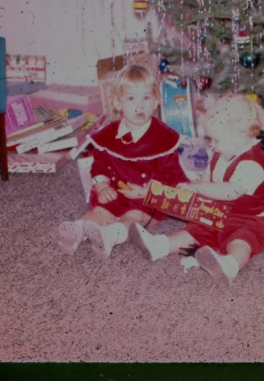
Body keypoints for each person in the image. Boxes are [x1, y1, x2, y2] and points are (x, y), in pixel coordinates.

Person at [129, 93, 264, 285]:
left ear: (240, 136)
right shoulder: (220, 152)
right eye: (211, 140)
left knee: (241, 240)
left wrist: (200, 188)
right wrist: (192, 190)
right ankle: (160, 245)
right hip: (220, 213)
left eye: (216, 140)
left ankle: (230, 264)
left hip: (253, 218)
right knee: (195, 230)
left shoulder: (253, 162)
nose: (212, 146)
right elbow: (208, 177)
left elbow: (230, 191)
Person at [57, 65, 188, 259]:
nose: (140, 105)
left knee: (134, 217)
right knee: (101, 211)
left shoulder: (164, 138)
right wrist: (102, 186)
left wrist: (148, 192)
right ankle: (78, 230)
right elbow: (100, 165)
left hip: (147, 197)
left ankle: (112, 235)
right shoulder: (109, 135)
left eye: (146, 98)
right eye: (131, 98)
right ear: (118, 103)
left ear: (155, 103)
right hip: (116, 191)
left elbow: (169, 173)